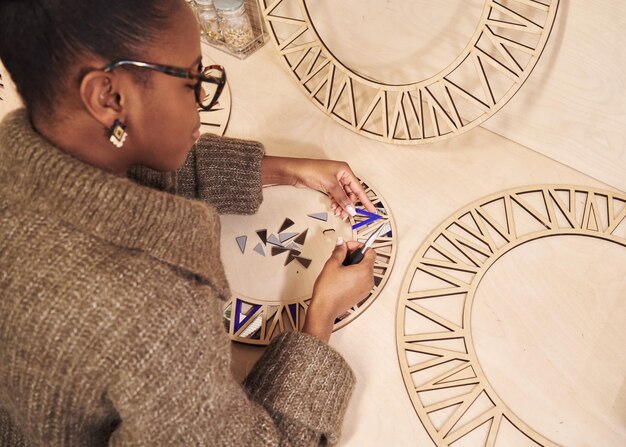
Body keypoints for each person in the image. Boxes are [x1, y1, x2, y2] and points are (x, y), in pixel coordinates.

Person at [0, 0, 378, 445]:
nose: (201, 100)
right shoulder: (150, 315)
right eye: (192, 80)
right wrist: (320, 317)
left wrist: (288, 170)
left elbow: (129, 175)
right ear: (108, 96)